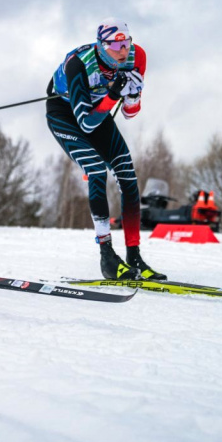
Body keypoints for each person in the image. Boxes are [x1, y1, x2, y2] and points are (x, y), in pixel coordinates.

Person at [46, 18, 164, 280]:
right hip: (65, 112)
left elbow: (130, 114)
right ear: (101, 46)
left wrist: (132, 96)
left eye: (126, 43)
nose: (123, 51)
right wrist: (112, 94)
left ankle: (134, 257)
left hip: (98, 112)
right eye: (116, 46)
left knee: (127, 176)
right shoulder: (78, 64)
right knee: (97, 170)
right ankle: (107, 256)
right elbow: (85, 123)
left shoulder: (137, 56)